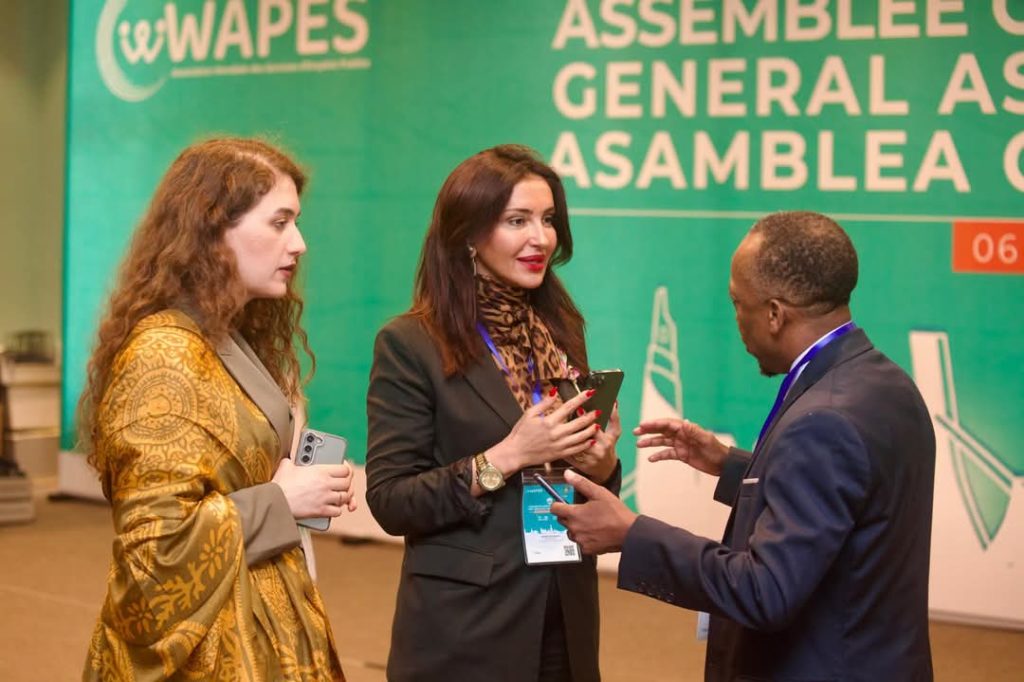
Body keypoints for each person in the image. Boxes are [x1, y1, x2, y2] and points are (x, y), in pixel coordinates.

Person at [552, 211, 936, 681]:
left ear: (775, 314)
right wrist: (731, 466)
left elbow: (765, 591)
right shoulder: (885, 383)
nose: (735, 319)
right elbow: (847, 497)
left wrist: (632, 534)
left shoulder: (824, 421)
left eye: (738, 303)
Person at [79, 138, 352, 680]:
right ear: (212, 230)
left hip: (260, 622)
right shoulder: (163, 357)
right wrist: (282, 500)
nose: (299, 244)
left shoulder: (220, 336)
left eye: (296, 223)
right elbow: (154, 553)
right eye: (279, 223)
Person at [366, 144, 622, 682]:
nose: (541, 238)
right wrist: (505, 458)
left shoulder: (559, 330)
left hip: (565, 610)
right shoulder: (411, 343)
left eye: (548, 220)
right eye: (517, 221)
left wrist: (600, 466)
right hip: (468, 627)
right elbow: (392, 501)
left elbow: (577, 478)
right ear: (469, 234)